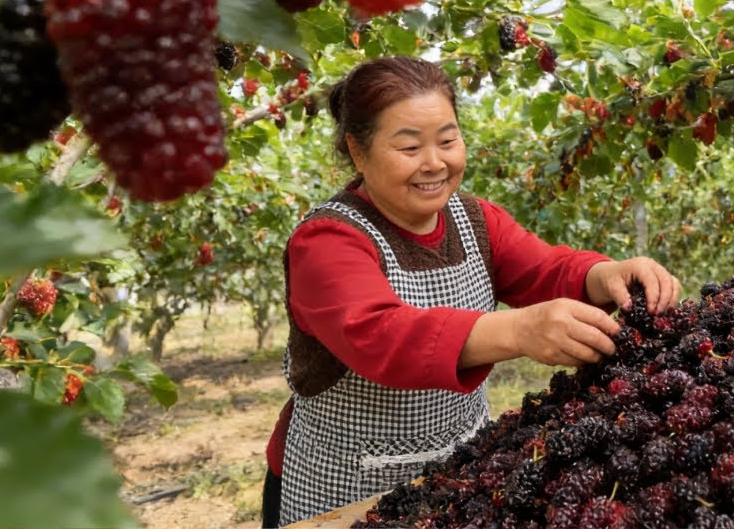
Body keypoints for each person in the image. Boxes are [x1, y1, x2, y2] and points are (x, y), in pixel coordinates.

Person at [261, 56, 682, 527]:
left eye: (448, 140)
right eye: (409, 147)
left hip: (461, 473)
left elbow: (545, 269)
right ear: (358, 152)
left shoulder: (475, 219)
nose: (435, 163)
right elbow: (379, 335)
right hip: (344, 483)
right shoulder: (327, 239)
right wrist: (519, 330)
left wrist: (604, 274)